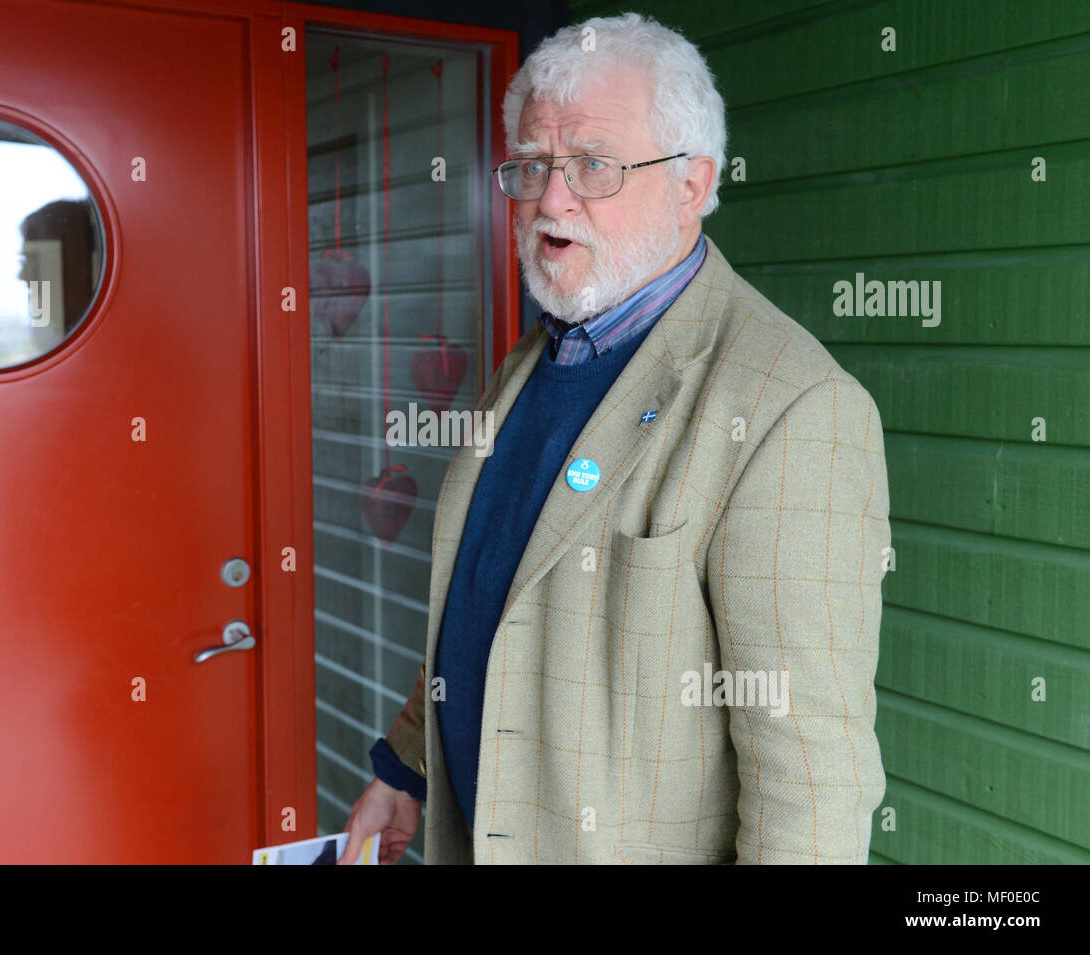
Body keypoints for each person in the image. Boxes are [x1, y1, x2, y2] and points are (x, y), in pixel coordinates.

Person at [339, 11, 889, 865]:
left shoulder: (793, 408)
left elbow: (811, 794)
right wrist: (404, 767)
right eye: (532, 166)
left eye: (593, 164)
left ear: (692, 184)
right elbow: (491, 599)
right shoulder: (538, 355)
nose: (551, 199)